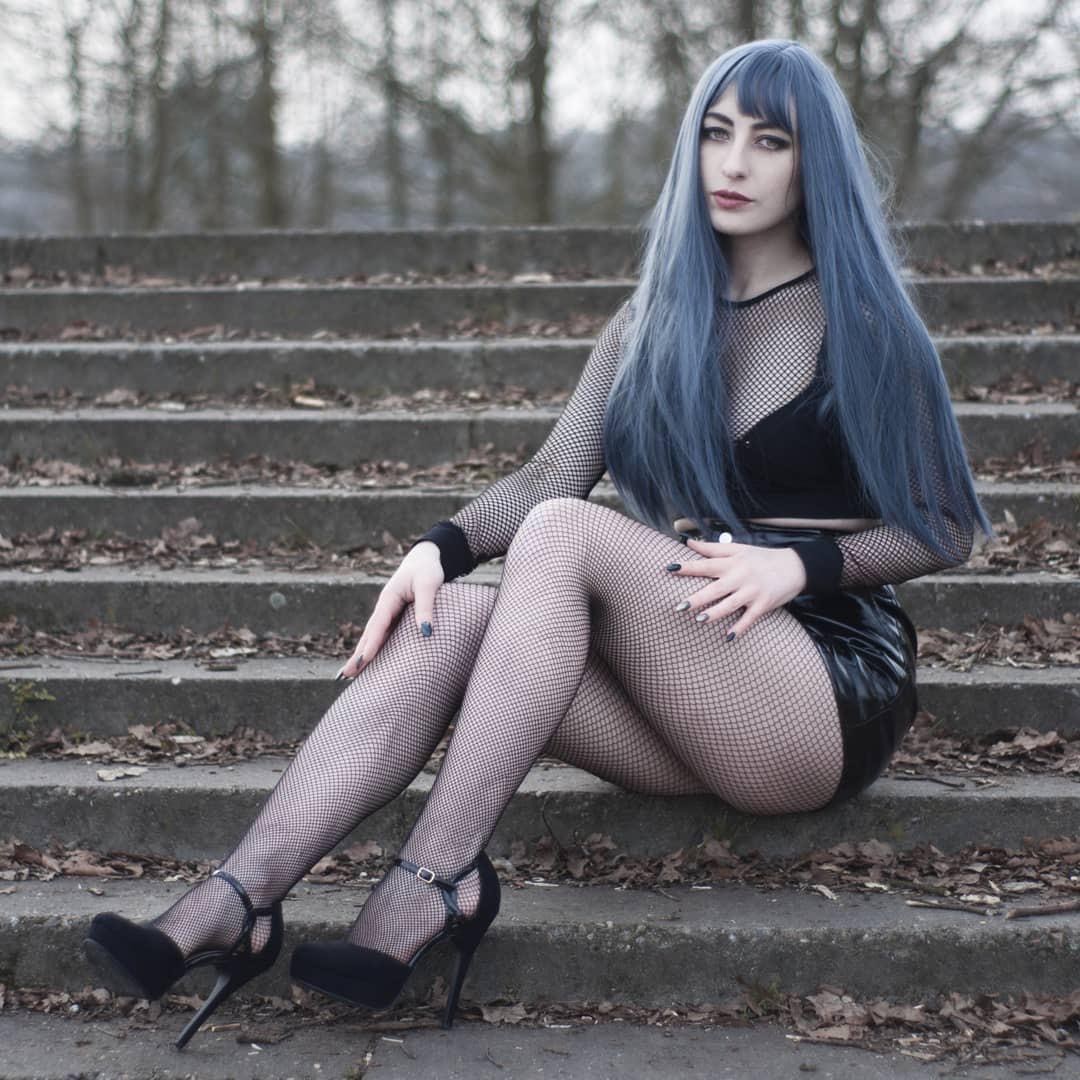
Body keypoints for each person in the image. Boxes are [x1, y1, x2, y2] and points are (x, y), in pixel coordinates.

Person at [83, 38, 992, 1049]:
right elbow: (549, 477)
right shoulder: (653, 322)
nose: (734, 163)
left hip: (818, 689)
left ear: (813, 160)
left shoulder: (865, 323)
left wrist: (799, 564)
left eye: (770, 141)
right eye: (716, 133)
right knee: (456, 616)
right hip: (690, 694)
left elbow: (948, 525)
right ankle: (239, 898)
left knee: (563, 535)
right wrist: (437, 548)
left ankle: (433, 880)